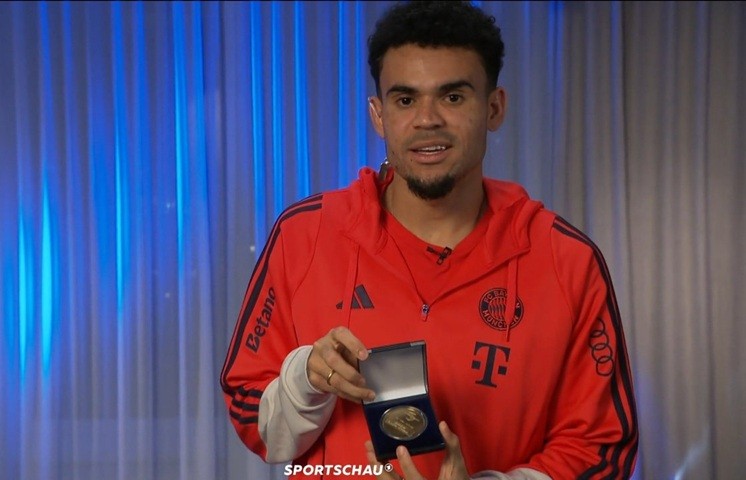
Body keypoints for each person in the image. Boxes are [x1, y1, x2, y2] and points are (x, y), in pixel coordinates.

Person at [220, 1, 638, 479]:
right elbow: (250, 413)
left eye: (453, 97)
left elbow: (602, 450)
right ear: (378, 114)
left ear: (494, 107)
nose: (427, 119)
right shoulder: (304, 234)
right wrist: (307, 379)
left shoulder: (567, 260)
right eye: (405, 100)